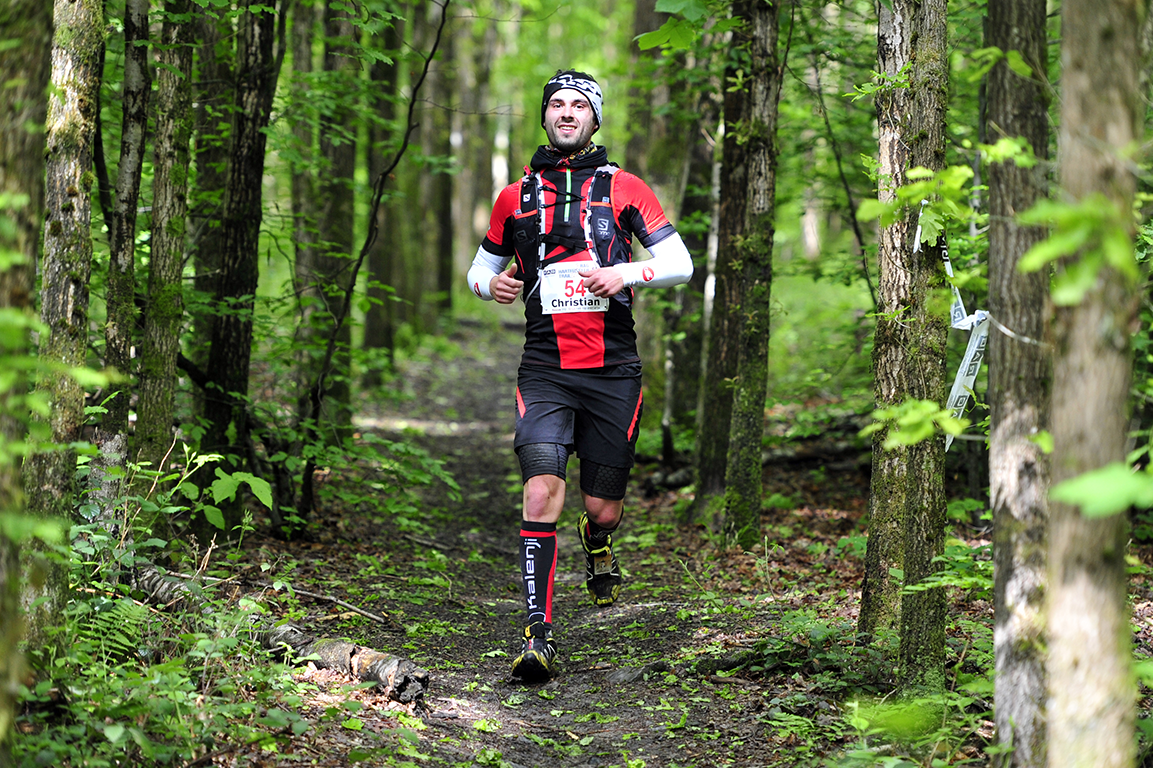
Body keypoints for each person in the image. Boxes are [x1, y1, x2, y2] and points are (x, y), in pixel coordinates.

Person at [467, 69, 693, 682]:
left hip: (613, 369)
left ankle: (598, 542)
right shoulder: (513, 198)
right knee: (541, 489)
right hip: (543, 367)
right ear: (544, 117)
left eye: (578, 105)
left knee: (604, 507)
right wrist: (494, 285)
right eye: (556, 105)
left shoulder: (625, 188)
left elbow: (680, 263)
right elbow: (477, 272)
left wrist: (628, 274)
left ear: (595, 119)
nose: (566, 113)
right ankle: (537, 634)